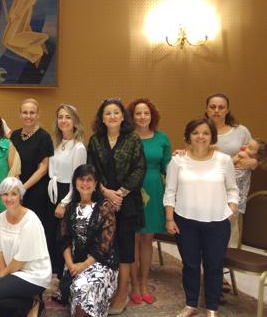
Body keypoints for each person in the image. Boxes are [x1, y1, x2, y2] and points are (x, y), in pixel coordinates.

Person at [164, 117, 239, 317]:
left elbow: (232, 189)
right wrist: (170, 219)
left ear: (212, 136)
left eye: (205, 133)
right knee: (190, 265)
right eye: (196, 132)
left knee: (214, 266)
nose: (200, 137)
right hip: (185, 221)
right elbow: (170, 191)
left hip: (217, 222)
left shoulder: (224, 160)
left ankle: (212, 308)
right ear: (188, 136)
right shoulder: (177, 160)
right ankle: (191, 304)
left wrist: (231, 210)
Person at [87, 98, 145, 315]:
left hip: (126, 201)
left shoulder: (133, 140)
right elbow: (91, 169)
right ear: (102, 118)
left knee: (126, 247)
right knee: (104, 245)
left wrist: (120, 193)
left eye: (115, 113)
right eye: (107, 113)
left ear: (122, 116)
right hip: (102, 199)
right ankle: (105, 288)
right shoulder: (95, 140)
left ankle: (122, 292)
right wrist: (106, 192)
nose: (112, 116)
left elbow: (139, 168)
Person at [125, 98, 171, 305]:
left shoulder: (162, 138)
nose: (143, 117)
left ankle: (144, 283)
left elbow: (168, 168)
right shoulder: (126, 138)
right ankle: (133, 285)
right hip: (132, 190)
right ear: (132, 116)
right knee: (133, 238)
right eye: (138, 113)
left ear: (152, 116)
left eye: (146, 113)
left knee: (147, 240)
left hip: (154, 189)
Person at [58, 164, 119, 317]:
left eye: (89, 180)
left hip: (101, 262)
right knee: (79, 288)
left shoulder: (105, 207)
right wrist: (71, 264)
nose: (85, 184)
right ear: (75, 182)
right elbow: (64, 240)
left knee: (83, 287)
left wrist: (83, 266)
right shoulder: (71, 208)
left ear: (96, 184)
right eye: (81, 179)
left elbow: (104, 245)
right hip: (75, 262)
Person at [0, 177, 52, 317]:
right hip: (14, 272)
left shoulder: (31, 220)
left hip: (33, 274)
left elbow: (21, 259)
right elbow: (0, 251)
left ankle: (33, 304)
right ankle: (27, 303)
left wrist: (2, 277)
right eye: (5, 194)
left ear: (20, 196)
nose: (9, 198)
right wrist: (1, 275)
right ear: (0, 196)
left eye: (13, 194)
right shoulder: (0, 218)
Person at [204, 93, 257, 251]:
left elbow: (256, 153)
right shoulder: (200, 130)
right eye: (212, 107)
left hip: (234, 187)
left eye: (221, 107)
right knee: (208, 226)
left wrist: (254, 162)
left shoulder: (241, 131)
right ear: (206, 109)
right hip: (207, 186)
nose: (217, 110)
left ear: (227, 110)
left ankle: (228, 260)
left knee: (230, 225)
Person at [47, 103, 87, 299]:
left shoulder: (78, 147)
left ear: (75, 122)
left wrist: (64, 202)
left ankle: (66, 285)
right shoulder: (55, 142)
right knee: (54, 238)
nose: (63, 120)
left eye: (68, 117)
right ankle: (56, 278)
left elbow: (77, 179)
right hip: (52, 192)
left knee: (65, 240)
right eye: (60, 117)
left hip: (67, 194)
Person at [10, 98, 54, 269]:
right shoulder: (14, 136)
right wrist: (15, 187)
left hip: (36, 191)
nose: (28, 116)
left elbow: (43, 168)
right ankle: (18, 266)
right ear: (20, 114)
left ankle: (36, 269)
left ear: (37, 115)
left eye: (32, 113)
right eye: (25, 112)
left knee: (34, 232)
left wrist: (23, 187)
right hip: (17, 191)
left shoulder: (44, 137)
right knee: (18, 230)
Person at [232, 138, 267, 214]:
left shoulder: (243, 154)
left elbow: (230, 162)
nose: (245, 147)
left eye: (250, 148)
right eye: (247, 144)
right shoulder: (251, 160)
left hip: (235, 183)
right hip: (239, 186)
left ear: (256, 155)